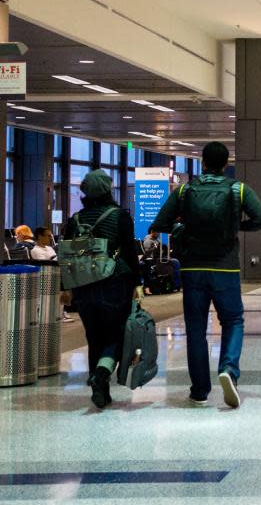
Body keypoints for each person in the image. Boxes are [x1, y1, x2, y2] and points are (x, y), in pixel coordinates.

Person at [151, 141, 261, 409]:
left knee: (195, 328)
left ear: (202, 163)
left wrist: (184, 227)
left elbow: (159, 224)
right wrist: (235, 226)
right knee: (233, 320)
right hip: (225, 266)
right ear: (226, 164)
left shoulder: (184, 191)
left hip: (192, 269)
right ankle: (228, 368)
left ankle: (199, 390)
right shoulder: (238, 190)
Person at [64, 170, 143, 409]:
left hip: (83, 287)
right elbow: (129, 252)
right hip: (114, 282)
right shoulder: (119, 216)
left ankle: (101, 391)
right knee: (116, 336)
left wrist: (65, 287)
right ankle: (100, 374)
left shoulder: (76, 219)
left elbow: (66, 255)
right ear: (109, 190)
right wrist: (137, 283)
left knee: (94, 337)